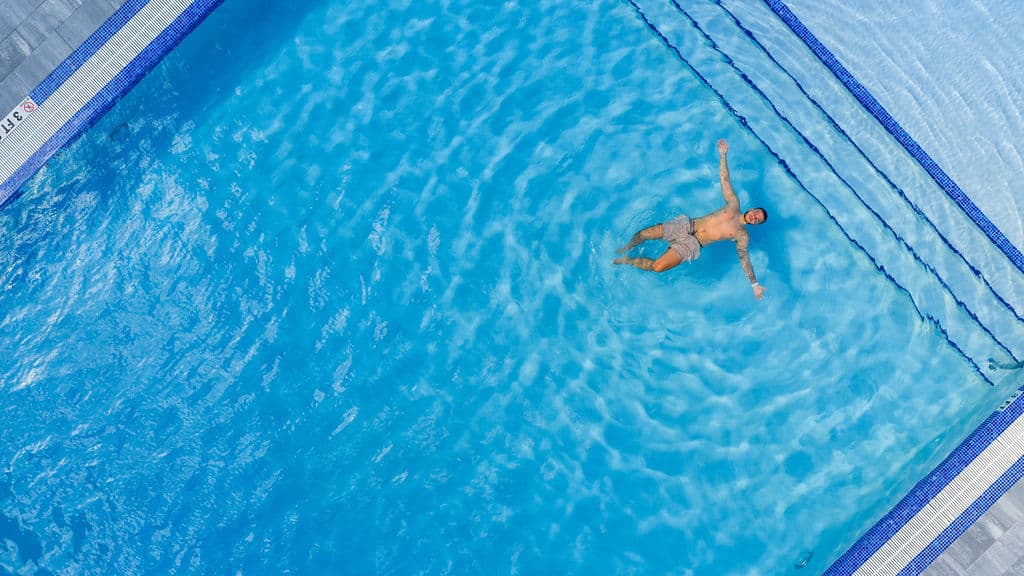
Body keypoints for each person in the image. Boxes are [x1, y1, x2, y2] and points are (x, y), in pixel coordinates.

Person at [614, 139, 768, 300]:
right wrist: (723, 155)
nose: (755, 216)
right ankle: (627, 247)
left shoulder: (742, 235)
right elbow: (724, 180)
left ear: (755, 223)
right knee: (645, 233)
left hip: (693, 244)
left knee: (658, 267)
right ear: (751, 209)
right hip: (687, 225)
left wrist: (754, 285)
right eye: (756, 212)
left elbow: (744, 259)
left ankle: (628, 260)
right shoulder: (734, 204)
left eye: (758, 219)